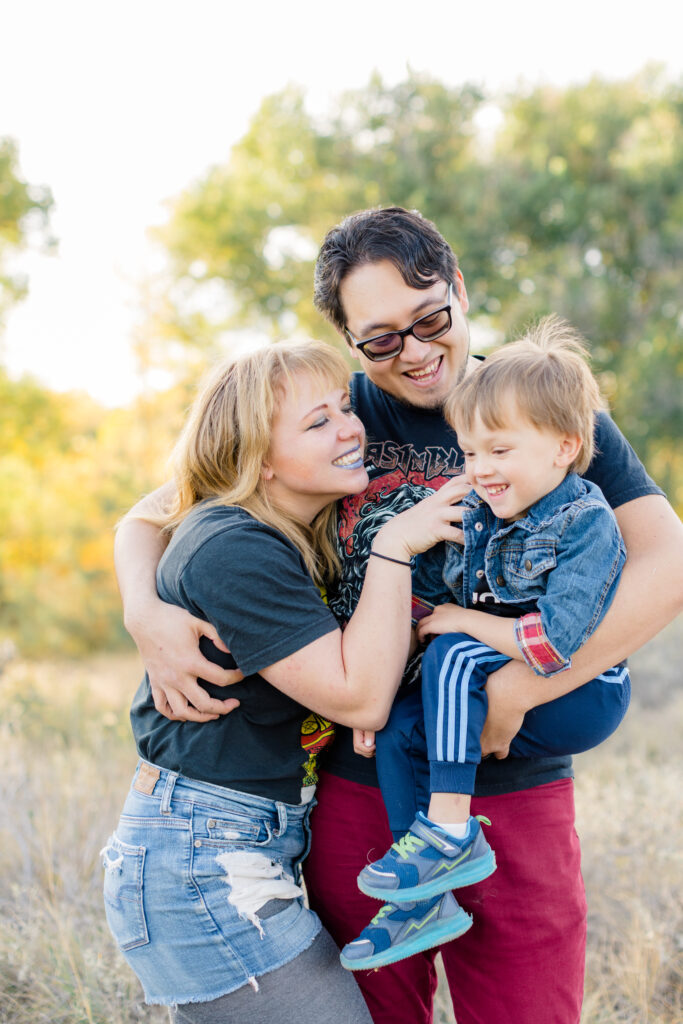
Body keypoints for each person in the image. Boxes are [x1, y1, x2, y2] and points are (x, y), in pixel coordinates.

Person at [114, 207, 683, 1024]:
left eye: (429, 320)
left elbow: (665, 566)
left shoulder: (535, 401)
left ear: (458, 288)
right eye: (380, 339)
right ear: (348, 341)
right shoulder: (330, 420)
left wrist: (517, 690)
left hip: (515, 786)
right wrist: (145, 610)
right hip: (364, 786)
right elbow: (161, 509)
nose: (413, 352)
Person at [102, 339, 465, 1024]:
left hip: (237, 843)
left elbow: (152, 509)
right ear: (259, 459)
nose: (350, 428)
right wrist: (395, 544)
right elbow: (359, 696)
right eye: (317, 422)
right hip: (204, 857)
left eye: (344, 408)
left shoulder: (289, 522)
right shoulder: (234, 545)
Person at [340, 317, 632, 970]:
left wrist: (462, 622)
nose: (481, 470)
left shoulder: (585, 521)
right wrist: (374, 688)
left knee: (453, 650)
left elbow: (554, 644)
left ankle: (448, 832)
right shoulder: (476, 510)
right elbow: (419, 598)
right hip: (488, 667)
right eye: (470, 453)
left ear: (563, 447)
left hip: (579, 693)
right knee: (398, 728)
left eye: (499, 451)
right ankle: (421, 898)